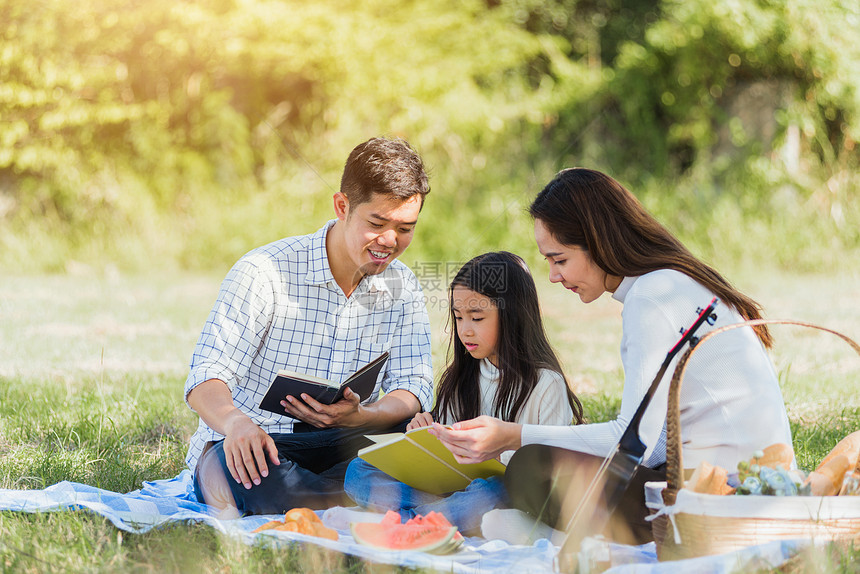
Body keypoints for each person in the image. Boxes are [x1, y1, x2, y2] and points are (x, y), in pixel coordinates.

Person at [429, 168, 793, 544]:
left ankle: (553, 537)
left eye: (560, 260)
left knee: (531, 466)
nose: (553, 276)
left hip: (720, 495)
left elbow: (634, 443)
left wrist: (513, 436)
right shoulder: (670, 282)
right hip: (744, 481)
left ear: (597, 242)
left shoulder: (652, 298)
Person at [184, 137, 435, 517]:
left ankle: (346, 498)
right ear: (342, 206)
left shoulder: (403, 284)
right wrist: (236, 422)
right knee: (232, 471)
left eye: (405, 228)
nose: (390, 241)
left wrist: (365, 416)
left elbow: (413, 384)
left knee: (429, 439)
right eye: (377, 223)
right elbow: (205, 378)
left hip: (348, 440)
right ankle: (373, 499)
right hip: (264, 442)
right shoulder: (263, 272)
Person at [343, 251, 584, 534]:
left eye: (477, 318)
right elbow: (445, 446)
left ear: (514, 315)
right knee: (358, 471)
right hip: (450, 487)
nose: (465, 330)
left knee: (491, 490)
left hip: (507, 490)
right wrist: (425, 432)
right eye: (458, 317)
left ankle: (419, 521)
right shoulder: (462, 377)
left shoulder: (546, 384)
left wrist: (492, 456)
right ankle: (437, 518)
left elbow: (549, 471)